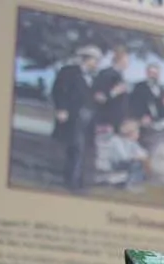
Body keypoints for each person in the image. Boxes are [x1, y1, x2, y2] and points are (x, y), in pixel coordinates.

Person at [50, 45, 101, 190]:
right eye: (94, 60)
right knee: (76, 148)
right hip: (73, 117)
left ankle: (76, 180)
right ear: (86, 59)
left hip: (88, 119)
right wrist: (61, 109)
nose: (96, 63)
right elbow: (58, 90)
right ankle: (73, 182)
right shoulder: (69, 72)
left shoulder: (92, 77)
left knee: (82, 150)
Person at [102, 118, 151, 191]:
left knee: (143, 164)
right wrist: (137, 157)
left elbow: (143, 153)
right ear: (130, 132)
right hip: (116, 164)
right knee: (136, 164)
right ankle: (131, 185)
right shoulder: (116, 140)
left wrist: (144, 158)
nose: (138, 135)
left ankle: (137, 182)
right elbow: (124, 157)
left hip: (127, 163)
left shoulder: (132, 143)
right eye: (137, 132)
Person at [92, 45, 131, 131]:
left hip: (118, 120)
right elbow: (99, 97)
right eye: (127, 59)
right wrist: (114, 92)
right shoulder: (106, 74)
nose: (129, 62)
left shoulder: (120, 75)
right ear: (120, 59)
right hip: (107, 121)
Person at [129, 62, 164, 127]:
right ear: (147, 73)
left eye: (156, 73)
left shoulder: (161, 89)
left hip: (159, 123)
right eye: (151, 73)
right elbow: (133, 105)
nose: (154, 76)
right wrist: (141, 117)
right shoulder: (139, 87)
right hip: (143, 123)